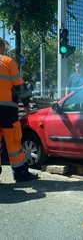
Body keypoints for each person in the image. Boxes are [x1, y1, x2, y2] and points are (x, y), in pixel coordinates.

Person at [0, 38, 38, 182]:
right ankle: (21, 174)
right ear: (2, 48)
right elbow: (20, 86)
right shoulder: (8, 62)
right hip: (8, 110)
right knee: (14, 142)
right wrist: (27, 106)